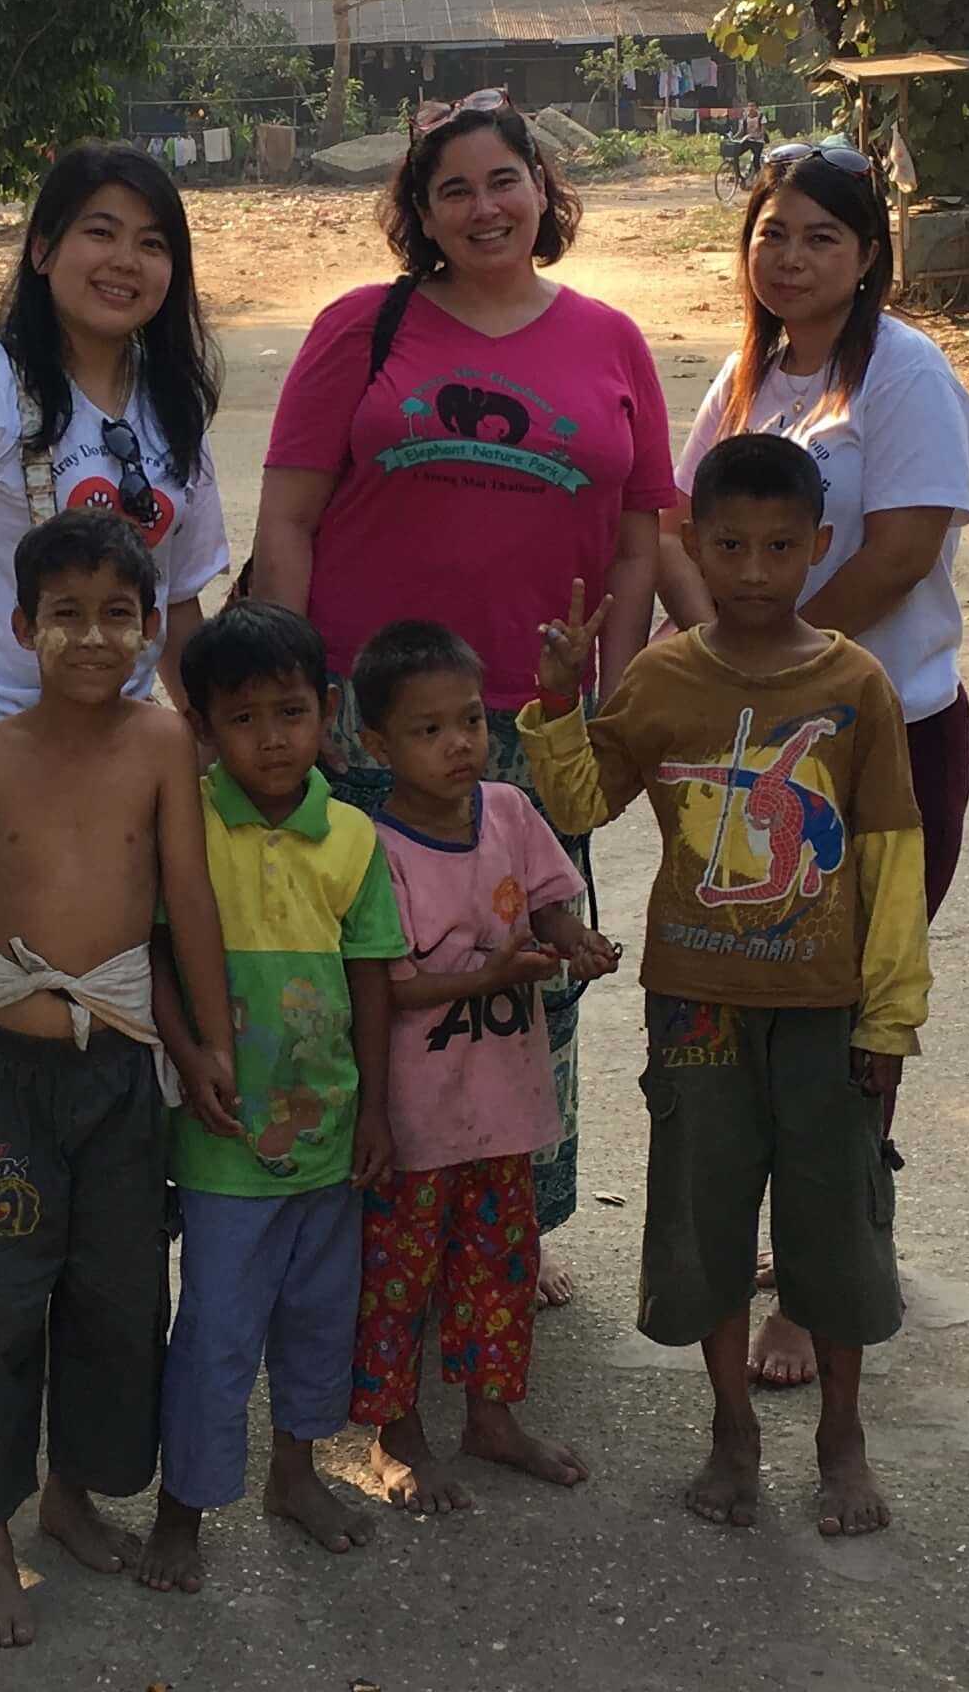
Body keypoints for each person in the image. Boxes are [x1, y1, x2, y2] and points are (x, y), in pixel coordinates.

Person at [258, 92, 676, 1302]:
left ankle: (508, 1225)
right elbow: (287, 515)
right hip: (371, 718)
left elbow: (644, 541)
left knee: (528, 970)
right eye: (454, 189)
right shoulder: (361, 330)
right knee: (375, 976)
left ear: (544, 191)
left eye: (505, 180)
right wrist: (300, 693)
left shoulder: (611, 341)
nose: (484, 206)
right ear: (420, 215)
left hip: (537, 720)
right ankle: (371, 1213)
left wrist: (610, 704)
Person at [523, 436, 933, 1538]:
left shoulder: (855, 684)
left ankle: (842, 1434)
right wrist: (558, 701)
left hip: (827, 1009)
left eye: (780, 547)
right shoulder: (662, 675)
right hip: (696, 1000)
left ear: (820, 545)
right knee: (705, 1220)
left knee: (834, 1225)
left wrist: (890, 1012)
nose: (754, 571)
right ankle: (733, 1428)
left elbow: (893, 850)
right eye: (731, 546)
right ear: (693, 545)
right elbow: (585, 797)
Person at [657, 141, 969, 1389]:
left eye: (821, 239)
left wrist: (783, 661)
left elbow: (901, 549)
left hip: (883, 737)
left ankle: (820, 1286)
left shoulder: (905, 374)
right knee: (759, 996)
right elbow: (689, 526)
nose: (790, 258)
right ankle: (781, 1242)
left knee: (848, 1008)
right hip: (754, 752)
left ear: (867, 259)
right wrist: (706, 660)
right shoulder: (745, 377)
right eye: (772, 233)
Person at [0, 509, 240, 1649]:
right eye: (67, 616)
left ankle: (72, 1493)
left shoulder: (162, 745)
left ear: (149, 630)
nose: (94, 638)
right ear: (21, 626)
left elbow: (183, 900)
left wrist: (208, 1046)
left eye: (119, 617)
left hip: (121, 1073)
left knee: (118, 1294)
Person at [0, 145, 230, 954]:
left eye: (152, 242)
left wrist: (213, 737)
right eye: (99, 232)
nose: (124, 262)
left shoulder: (172, 404)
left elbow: (176, 602)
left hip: (116, 745)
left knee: (106, 987)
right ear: (41, 250)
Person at [138, 600, 403, 1595]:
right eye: (241, 719)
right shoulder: (186, 823)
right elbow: (154, 953)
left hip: (331, 1134)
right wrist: (188, 1044)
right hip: (222, 1138)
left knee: (317, 1316)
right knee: (214, 1328)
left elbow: (372, 973)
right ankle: (184, 1507)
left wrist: (375, 1109)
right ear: (201, 728)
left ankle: (293, 1472)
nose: (271, 737)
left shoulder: (353, 837)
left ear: (327, 710)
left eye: (290, 712)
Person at [339, 619, 615, 1512]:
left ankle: (491, 1418)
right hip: (419, 1116)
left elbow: (546, 900)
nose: (458, 743)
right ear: (376, 743)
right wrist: (492, 973)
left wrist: (573, 940)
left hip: (503, 1103)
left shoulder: (506, 809)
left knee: (499, 1266)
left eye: (467, 720)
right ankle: (396, 1432)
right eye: (427, 730)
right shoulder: (374, 849)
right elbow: (392, 986)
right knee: (398, 1279)